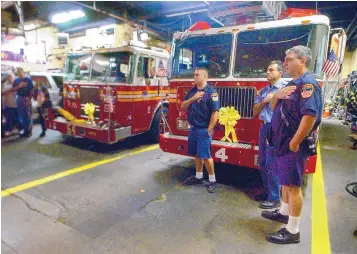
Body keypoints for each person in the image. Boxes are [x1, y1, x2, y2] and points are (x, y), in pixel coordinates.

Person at [262, 46, 322, 244]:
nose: (285, 63)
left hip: (293, 144)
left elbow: (310, 116)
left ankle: (293, 231)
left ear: (302, 60)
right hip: (282, 141)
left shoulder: (307, 85)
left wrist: (295, 142)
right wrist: (277, 96)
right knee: (285, 181)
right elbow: (273, 107)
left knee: (293, 186)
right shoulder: (292, 85)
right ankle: (284, 212)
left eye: (288, 60)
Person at [253, 61, 287, 209]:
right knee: (263, 162)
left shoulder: (286, 89)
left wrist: (276, 98)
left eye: (271, 70)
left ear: (280, 73)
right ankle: (268, 193)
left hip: (277, 128)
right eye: (267, 70)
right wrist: (265, 101)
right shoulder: (264, 91)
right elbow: (255, 111)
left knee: (272, 164)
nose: (267, 72)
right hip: (265, 128)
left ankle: (274, 198)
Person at [181, 67, 220, 193]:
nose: (194, 76)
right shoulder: (192, 91)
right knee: (196, 154)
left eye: (197, 75)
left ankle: (212, 180)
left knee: (206, 156)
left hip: (204, 129)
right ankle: (198, 176)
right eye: (194, 74)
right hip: (193, 129)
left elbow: (215, 112)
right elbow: (182, 106)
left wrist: (209, 129)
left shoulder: (211, 92)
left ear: (205, 77)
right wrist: (193, 98)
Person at [6, 68, 34, 137]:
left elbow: (32, 90)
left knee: (27, 116)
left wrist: (29, 99)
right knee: (21, 116)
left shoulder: (28, 80)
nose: (19, 73)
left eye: (20, 72)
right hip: (19, 98)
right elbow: (12, 90)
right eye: (17, 72)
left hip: (26, 99)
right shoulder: (16, 80)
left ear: (23, 72)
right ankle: (24, 131)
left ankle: (28, 131)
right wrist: (19, 86)